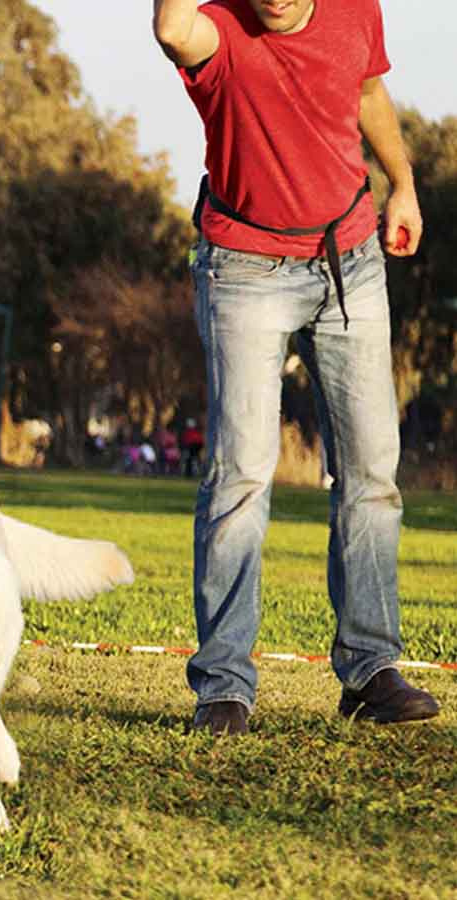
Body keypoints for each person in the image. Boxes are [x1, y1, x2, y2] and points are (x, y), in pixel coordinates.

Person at [153, 0, 439, 734]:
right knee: (241, 473)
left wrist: (400, 180)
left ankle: (372, 670)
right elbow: (170, 29)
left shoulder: (355, 10)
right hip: (243, 268)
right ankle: (223, 686)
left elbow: (368, 90)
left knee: (372, 472)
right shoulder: (217, 28)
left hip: (351, 261)